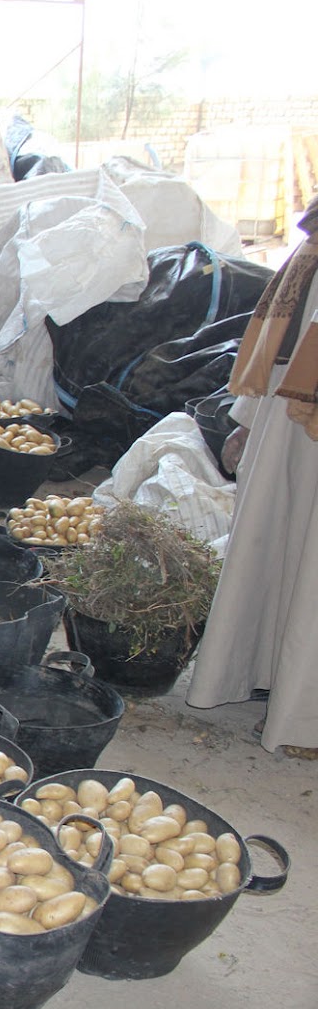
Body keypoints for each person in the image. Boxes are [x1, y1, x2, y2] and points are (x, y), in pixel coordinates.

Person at [188, 199, 318, 758]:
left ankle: (296, 708)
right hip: (287, 425)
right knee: (282, 548)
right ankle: (274, 681)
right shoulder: (310, 246)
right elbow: (285, 337)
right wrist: (245, 422)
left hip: (292, 427)